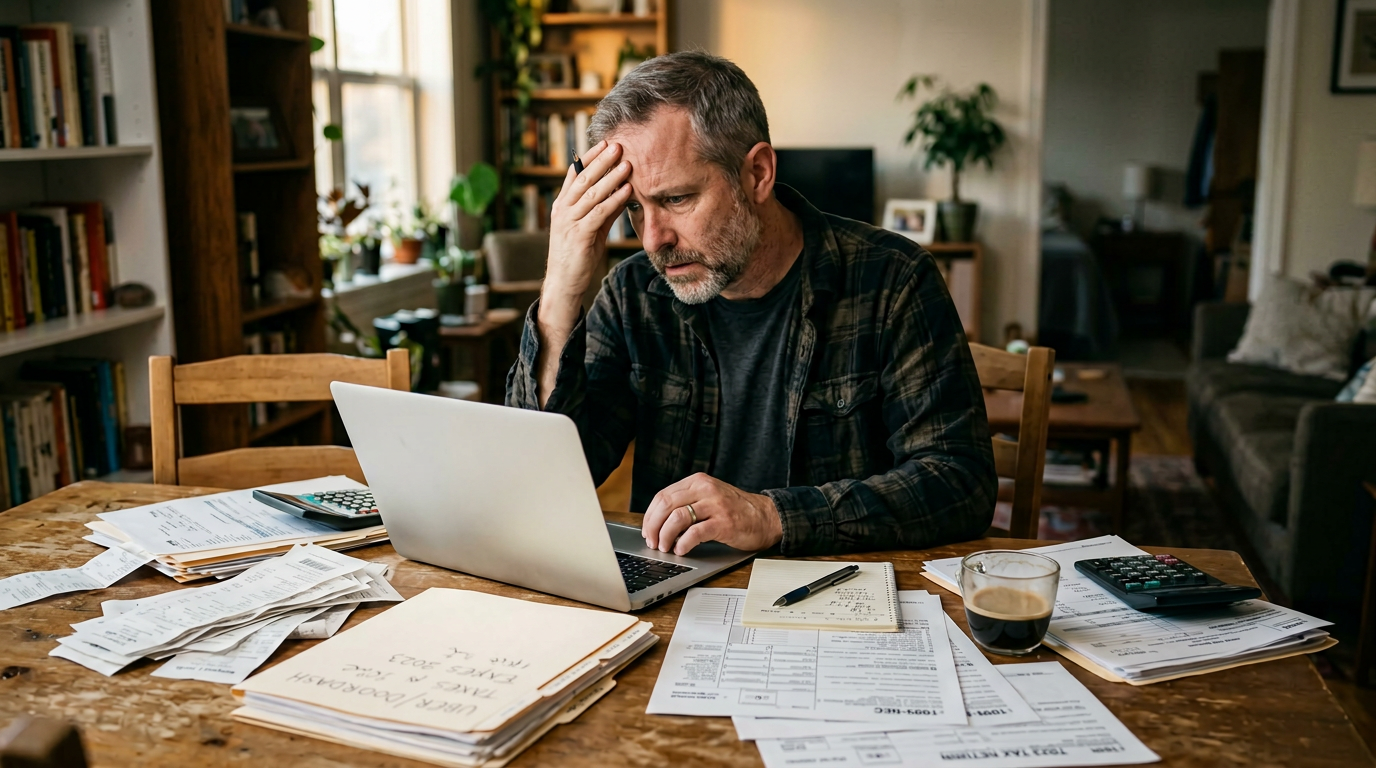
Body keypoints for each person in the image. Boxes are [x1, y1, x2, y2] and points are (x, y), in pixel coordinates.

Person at [507, 51, 995, 557]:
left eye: (676, 199)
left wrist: (771, 515)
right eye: (634, 207)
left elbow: (959, 483)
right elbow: (544, 484)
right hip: (676, 596)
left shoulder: (893, 279)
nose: (653, 239)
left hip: (835, 595)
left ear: (757, 173)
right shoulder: (633, 295)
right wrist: (561, 291)